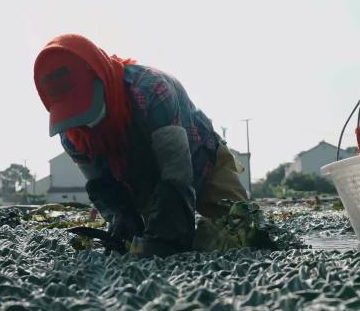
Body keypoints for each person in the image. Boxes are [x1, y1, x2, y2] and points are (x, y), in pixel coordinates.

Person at [34, 34, 248, 257]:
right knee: (136, 239)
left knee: (243, 231)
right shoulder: (71, 133)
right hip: (140, 180)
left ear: (101, 78)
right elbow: (102, 185)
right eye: (74, 113)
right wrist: (121, 216)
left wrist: (170, 237)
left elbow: (177, 176)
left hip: (201, 158)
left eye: (85, 106)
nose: (84, 122)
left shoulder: (151, 90)